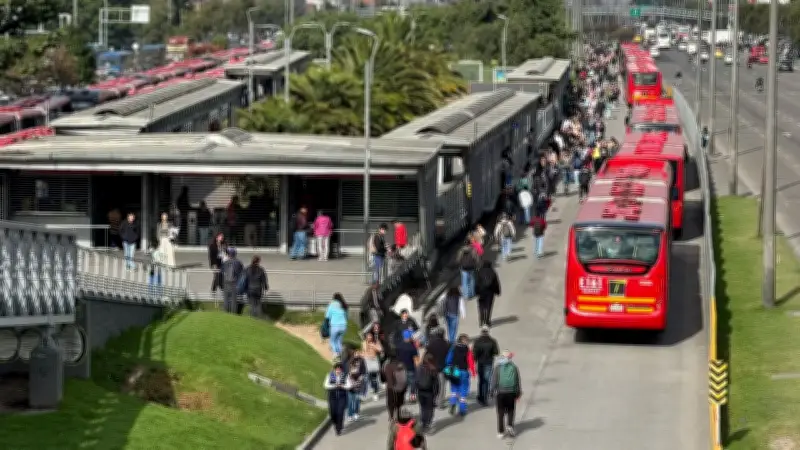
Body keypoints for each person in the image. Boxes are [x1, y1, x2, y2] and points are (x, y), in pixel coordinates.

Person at [491, 350, 522, 439]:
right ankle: (510, 426)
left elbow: (494, 380)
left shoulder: (498, 367)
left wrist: (492, 391)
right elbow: (517, 380)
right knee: (511, 410)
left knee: (500, 412)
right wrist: (518, 392)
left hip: (500, 392)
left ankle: (500, 431)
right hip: (511, 392)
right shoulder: (514, 367)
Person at [445, 333, 476, 417]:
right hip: (464, 371)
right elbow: (471, 362)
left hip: (455, 371)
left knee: (454, 389)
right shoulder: (467, 350)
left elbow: (448, 360)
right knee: (463, 391)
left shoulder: (453, 348)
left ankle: (452, 403)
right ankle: (462, 409)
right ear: (465, 342)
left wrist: (448, 368)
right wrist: (473, 372)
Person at [472, 325, 500, 406]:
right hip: (489, 362)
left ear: (481, 332)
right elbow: (496, 352)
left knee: (481, 380)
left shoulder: (477, 341)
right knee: (487, 381)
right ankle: (485, 398)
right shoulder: (492, 341)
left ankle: (480, 396)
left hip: (480, 362)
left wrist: (475, 360)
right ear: (488, 332)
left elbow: (474, 353)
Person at [324, 362, 352, 436]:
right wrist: (334, 386)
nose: (338, 371)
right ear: (334, 369)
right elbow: (326, 385)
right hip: (332, 397)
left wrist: (342, 386)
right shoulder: (330, 375)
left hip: (342, 397)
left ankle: (338, 428)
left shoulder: (345, 376)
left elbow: (349, 385)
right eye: (337, 369)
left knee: (340, 412)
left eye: (340, 370)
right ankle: (336, 422)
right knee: (332, 413)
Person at [425, 327, 450, 409]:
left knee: (433, 385)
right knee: (442, 386)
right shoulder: (447, 344)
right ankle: (440, 403)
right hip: (443, 368)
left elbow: (427, 356)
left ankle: (432, 401)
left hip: (432, 368)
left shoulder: (431, 344)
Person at [415, 353, 439, 432]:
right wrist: (436, 393)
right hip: (429, 392)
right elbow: (436, 383)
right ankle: (428, 423)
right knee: (429, 408)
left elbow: (416, 380)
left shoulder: (419, 367)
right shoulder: (433, 369)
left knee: (423, 408)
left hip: (421, 391)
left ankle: (423, 422)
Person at [383, 352, 408, 422]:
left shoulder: (388, 365)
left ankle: (391, 416)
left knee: (391, 402)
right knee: (399, 402)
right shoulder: (402, 365)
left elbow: (384, 376)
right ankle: (399, 415)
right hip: (402, 386)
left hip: (391, 387)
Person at [396, 329, 419, 402]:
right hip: (411, 368)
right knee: (412, 383)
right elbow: (416, 360)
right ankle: (412, 397)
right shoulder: (412, 347)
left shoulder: (399, 346)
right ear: (410, 336)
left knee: (402, 383)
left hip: (401, 368)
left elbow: (397, 357)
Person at [476, 261, 501, 328]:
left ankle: (481, 320)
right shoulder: (492, 272)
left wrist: (476, 292)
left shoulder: (480, 272)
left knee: (481, 306)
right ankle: (487, 321)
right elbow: (496, 283)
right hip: (490, 292)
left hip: (481, 292)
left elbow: (477, 283)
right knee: (489, 307)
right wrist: (498, 291)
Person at [325, 293, 349, 358]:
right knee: (338, 341)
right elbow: (347, 317)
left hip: (335, 325)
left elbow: (327, 316)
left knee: (332, 341)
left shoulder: (331, 305)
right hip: (343, 326)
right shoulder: (344, 305)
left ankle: (335, 354)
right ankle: (340, 355)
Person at [220, 247, 244, 314]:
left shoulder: (225, 262)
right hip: (234, 283)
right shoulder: (239, 262)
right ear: (235, 254)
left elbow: (222, 272)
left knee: (226, 299)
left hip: (226, 282)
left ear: (229, 254)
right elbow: (242, 273)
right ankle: (233, 314)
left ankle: (226, 313)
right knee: (233, 299)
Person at [362, 332, 384, 401]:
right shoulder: (364, 343)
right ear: (366, 337)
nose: (369, 337)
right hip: (367, 361)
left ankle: (375, 391)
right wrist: (368, 344)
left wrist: (374, 346)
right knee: (370, 377)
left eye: (370, 336)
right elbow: (365, 350)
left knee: (374, 377)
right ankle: (374, 390)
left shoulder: (376, 342)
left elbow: (380, 349)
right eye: (368, 336)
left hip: (374, 360)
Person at [347, 350, 366, 422]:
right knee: (350, 401)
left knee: (357, 400)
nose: (357, 354)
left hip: (358, 383)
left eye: (358, 353)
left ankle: (356, 413)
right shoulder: (350, 362)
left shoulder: (361, 361)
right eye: (356, 353)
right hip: (351, 384)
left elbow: (363, 371)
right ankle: (350, 415)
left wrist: (362, 376)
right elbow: (347, 372)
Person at [208, 233, 226, 300]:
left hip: (221, 263)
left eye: (222, 237)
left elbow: (225, 253)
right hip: (215, 264)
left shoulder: (223, 245)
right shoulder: (212, 246)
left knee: (220, 277)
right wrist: (213, 264)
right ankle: (214, 290)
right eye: (221, 237)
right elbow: (211, 256)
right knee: (217, 276)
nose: (222, 238)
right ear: (217, 237)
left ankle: (220, 290)